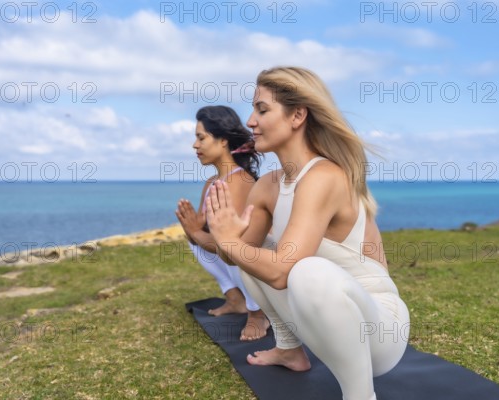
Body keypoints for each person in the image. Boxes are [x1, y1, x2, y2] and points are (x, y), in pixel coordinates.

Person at [204, 67, 410, 400]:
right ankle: (289, 349)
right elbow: (239, 257)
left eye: (262, 109)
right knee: (255, 252)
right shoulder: (268, 185)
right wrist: (226, 233)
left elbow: (285, 270)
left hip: (379, 331)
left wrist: (230, 241)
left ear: (298, 115)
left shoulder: (325, 175)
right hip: (325, 321)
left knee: (304, 270)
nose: (250, 121)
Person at [175, 105, 270, 341]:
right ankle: (235, 299)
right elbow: (201, 235)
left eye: (201, 138)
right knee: (196, 239)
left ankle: (258, 314)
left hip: (260, 261)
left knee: (224, 245)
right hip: (231, 252)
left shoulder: (238, 181)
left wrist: (196, 232)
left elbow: (233, 245)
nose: (195, 145)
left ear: (223, 141)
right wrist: (192, 231)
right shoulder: (212, 182)